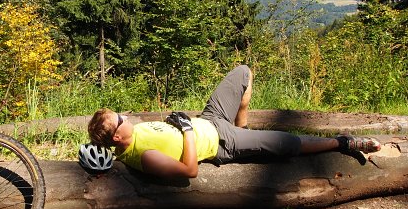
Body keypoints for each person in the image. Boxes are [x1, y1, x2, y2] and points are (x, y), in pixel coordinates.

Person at [85, 65, 381, 179]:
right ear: (116, 138)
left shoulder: (133, 135)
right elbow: (189, 171)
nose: (127, 117)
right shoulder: (145, 156)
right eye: (121, 119)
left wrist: (182, 122)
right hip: (221, 143)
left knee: (243, 73)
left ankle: (245, 130)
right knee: (288, 143)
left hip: (211, 119)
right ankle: (342, 143)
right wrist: (187, 131)